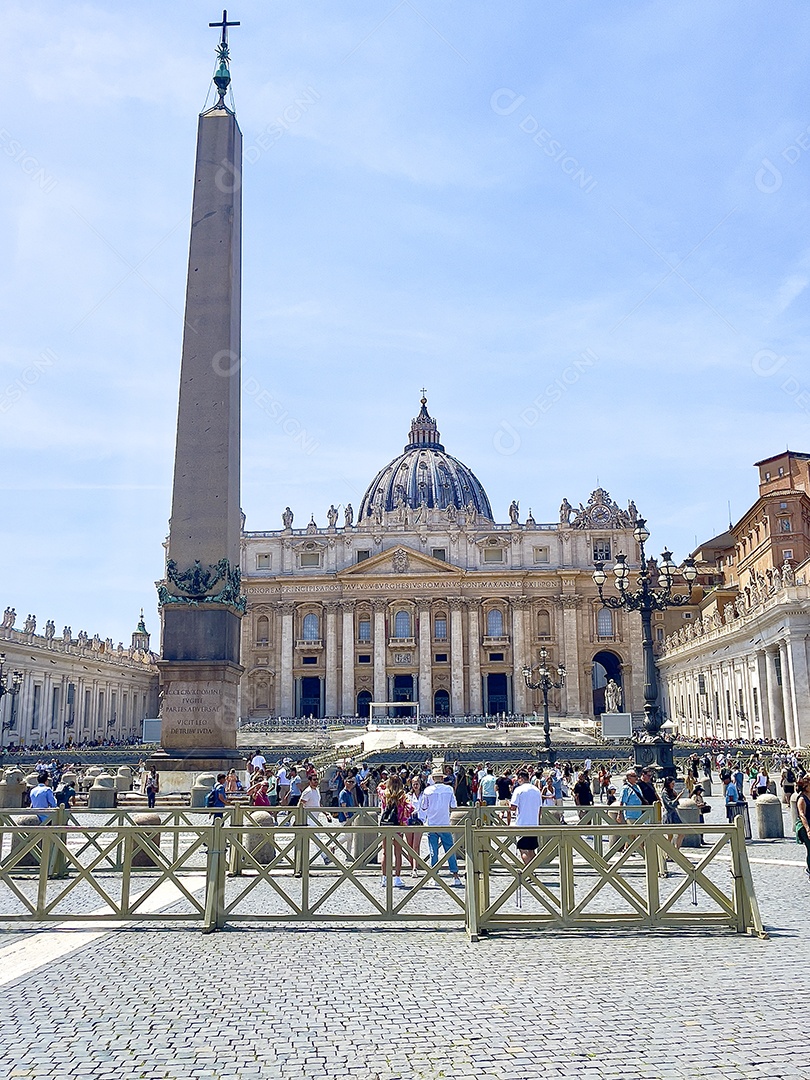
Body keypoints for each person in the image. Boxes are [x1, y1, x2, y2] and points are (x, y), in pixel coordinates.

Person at [419, 771, 462, 886]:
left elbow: (423, 807)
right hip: (444, 823)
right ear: (442, 779)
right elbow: (454, 806)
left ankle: (434, 876)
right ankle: (455, 876)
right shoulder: (448, 790)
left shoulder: (428, 791)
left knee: (433, 851)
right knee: (450, 850)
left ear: (433, 778)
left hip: (432, 824)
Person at [379, 773, 409, 888]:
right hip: (397, 825)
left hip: (385, 825)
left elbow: (379, 787)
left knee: (385, 853)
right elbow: (409, 808)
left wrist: (384, 783)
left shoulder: (384, 794)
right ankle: (397, 878)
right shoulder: (402, 795)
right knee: (398, 853)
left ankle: (384, 878)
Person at [509, 769, 543, 865]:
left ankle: (529, 873)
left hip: (522, 824)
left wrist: (508, 805)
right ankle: (533, 871)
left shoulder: (518, 790)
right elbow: (540, 809)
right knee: (532, 851)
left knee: (523, 850)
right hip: (534, 823)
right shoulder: (536, 790)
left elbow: (513, 807)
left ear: (520, 778)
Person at [660, 776, 685, 849]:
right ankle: (668, 852)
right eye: (672, 783)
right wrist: (678, 797)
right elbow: (670, 804)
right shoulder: (664, 793)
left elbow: (676, 804)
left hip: (674, 813)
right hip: (668, 815)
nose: (673, 785)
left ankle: (676, 850)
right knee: (669, 835)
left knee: (682, 833)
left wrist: (676, 795)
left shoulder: (671, 791)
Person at [795, 775, 810, 881]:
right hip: (803, 826)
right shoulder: (802, 799)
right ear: (806, 786)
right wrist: (808, 829)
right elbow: (802, 815)